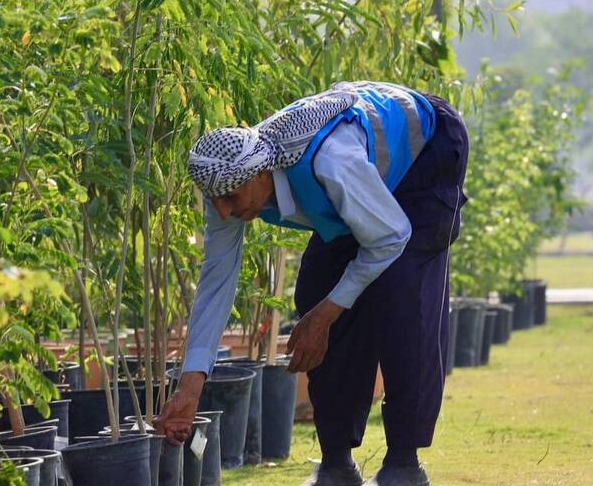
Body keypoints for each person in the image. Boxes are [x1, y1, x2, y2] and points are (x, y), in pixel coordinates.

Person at [157, 81, 469, 486]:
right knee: (316, 291)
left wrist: (324, 317)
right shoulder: (224, 184)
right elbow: (217, 281)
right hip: (364, 177)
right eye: (216, 201)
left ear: (263, 174)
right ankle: (336, 463)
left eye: (232, 198)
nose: (225, 211)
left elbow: (391, 237)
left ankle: (403, 463)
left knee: (403, 295)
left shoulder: (332, 164)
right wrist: (189, 388)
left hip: (427, 153)